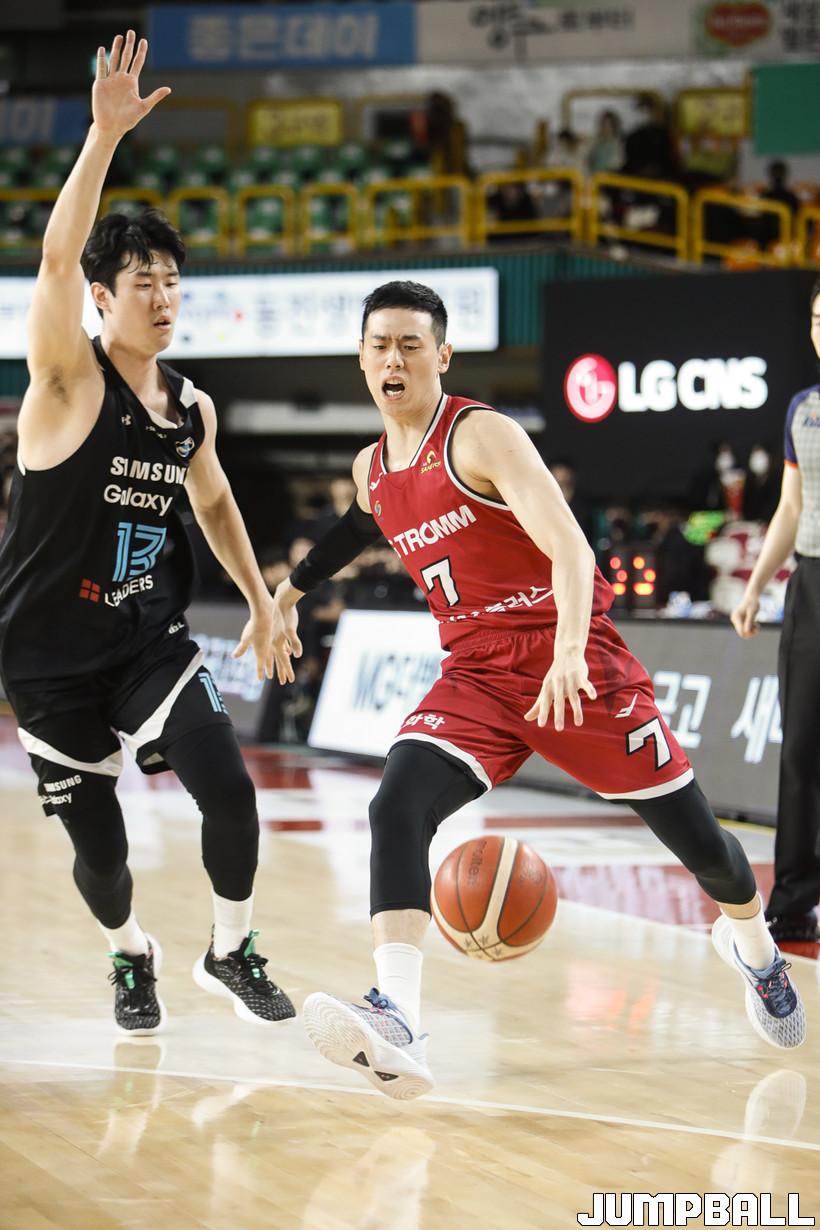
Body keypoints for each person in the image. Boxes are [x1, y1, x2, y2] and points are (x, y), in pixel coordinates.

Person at [269, 280, 805, 1099]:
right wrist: (288, 592)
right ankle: (397, 1014)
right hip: (477, 674)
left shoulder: (481, 436)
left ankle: (754, 949)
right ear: (362, 359)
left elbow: (572, 551)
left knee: (705, 849)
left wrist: (566, 653)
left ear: (442, 356)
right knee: (395, 805)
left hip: (571, 661)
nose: (394, 359)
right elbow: (355, 528)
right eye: (380, 345)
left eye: (411, 344)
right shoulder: (372, 469)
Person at [0, 32, 295, 1035]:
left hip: (146, 642)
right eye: (143, 284)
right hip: (47, 658)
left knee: (231, 792)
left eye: (173, 281)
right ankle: (132, 955)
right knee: (104, 859)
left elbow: (213, 504)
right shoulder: (66, 383)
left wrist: (259, 602)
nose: (164, 299)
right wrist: (103, 137)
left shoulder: (191, 408)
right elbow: (53, 258)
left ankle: (231, 949)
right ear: (102, 299)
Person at [731, 279, 820, 944]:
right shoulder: (802, 408)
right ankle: (793, 901)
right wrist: (757, 585)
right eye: (818, 317)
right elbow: (791, 508)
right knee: (803, 749)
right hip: (811, 584)